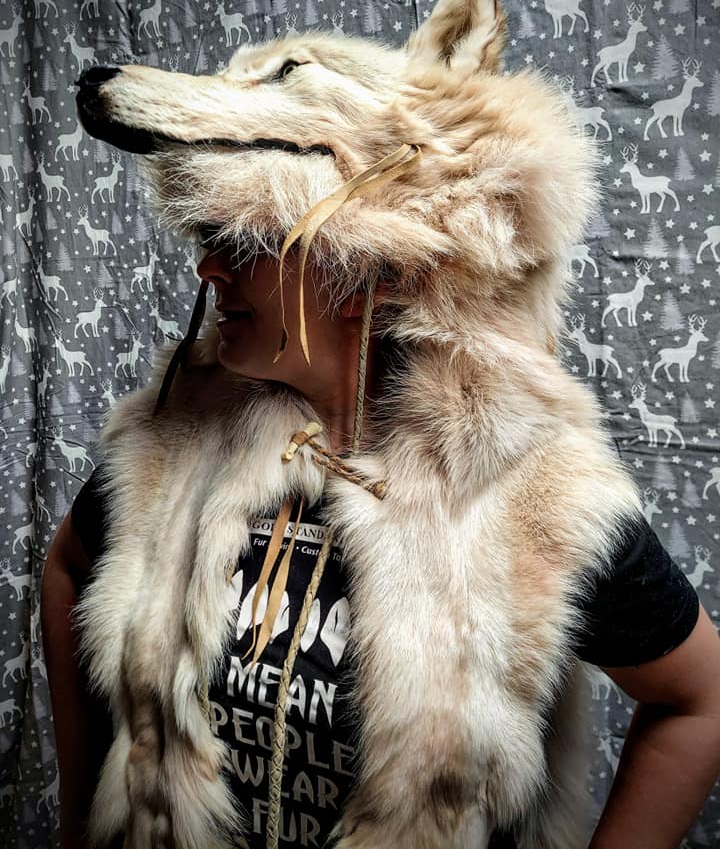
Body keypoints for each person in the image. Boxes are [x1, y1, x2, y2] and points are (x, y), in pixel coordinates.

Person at [43, 233, 720, 849]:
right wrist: (82, 822)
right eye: (210, 238)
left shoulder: (526, 486)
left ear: (371, 273)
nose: (209, 268)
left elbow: (700, 700)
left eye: (250, 243)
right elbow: (68, 567)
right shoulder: (176, 445)